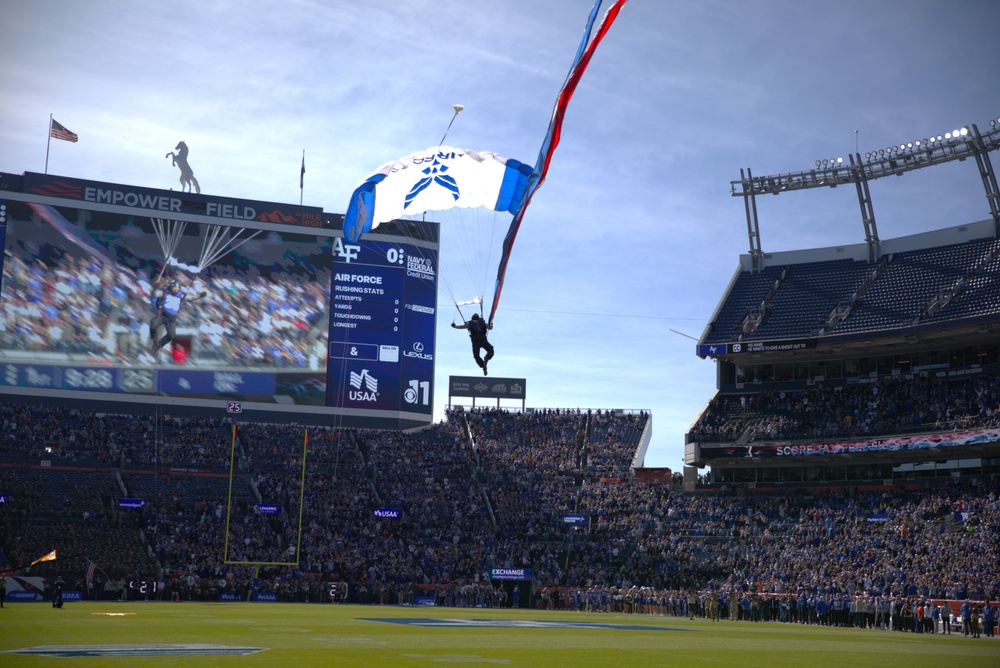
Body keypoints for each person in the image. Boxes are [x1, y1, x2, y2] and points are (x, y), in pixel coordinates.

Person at [149, 278, 205, 354]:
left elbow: (191, 298)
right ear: (171, 287)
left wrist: (199, 296)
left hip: (171, 319)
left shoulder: (181, 295)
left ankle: (158, 345)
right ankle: (155, 342)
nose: (175, 289)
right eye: (174, 287)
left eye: (177, 288)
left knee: (171, 335)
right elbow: (154, 294)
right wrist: (155, 287)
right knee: (153, 323)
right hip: (163, 315)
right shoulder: (165, 292)